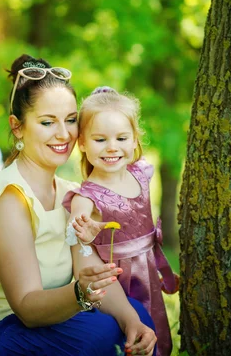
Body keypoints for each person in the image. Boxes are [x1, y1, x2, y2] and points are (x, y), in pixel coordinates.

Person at [0, 56, 157, 356]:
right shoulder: (6, 196)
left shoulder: (72, 195)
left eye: (71, 120)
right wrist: (79, 294)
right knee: (98, 333)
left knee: (134, 315)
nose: (64, 134)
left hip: (21, 330)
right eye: (47, 122)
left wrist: (131, 321)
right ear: (17, 127)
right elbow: (28, 308)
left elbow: (91, 270)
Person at [62, 87, 179, 356]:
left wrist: (164, 272)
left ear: (135, 139)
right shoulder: (86, 197)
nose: (112, 147)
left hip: (147, 271)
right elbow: (76, 230)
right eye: (100, 139)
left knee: (158, 335)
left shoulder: (141, 173)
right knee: (130, 342)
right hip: (120, 283)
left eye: (122, 137)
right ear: (82, 143)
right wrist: (89, 230)